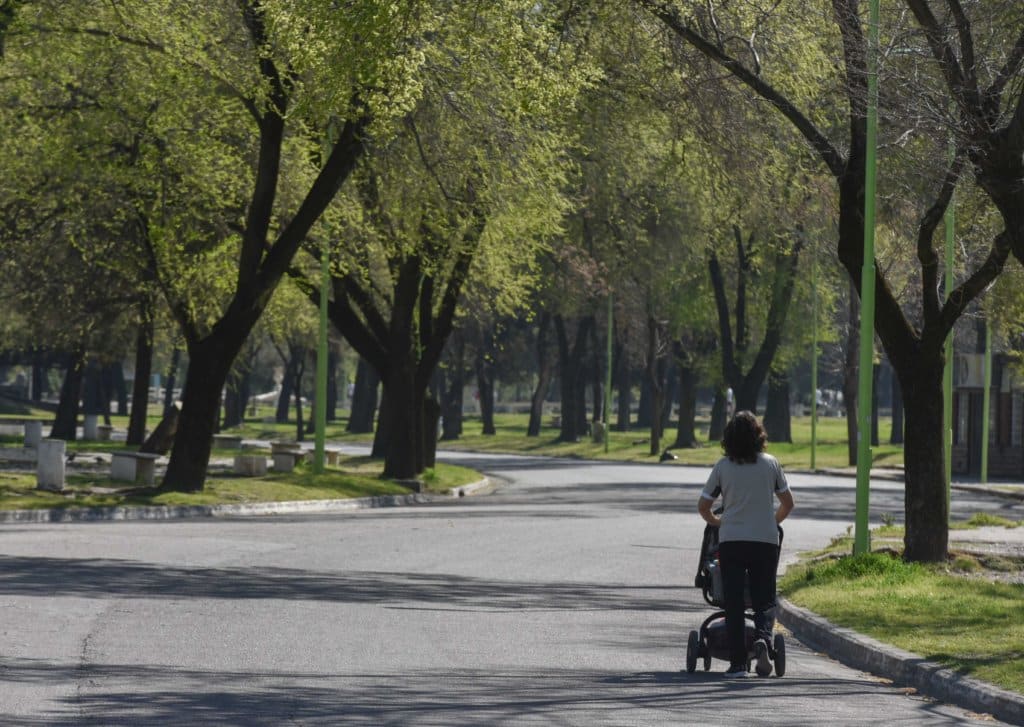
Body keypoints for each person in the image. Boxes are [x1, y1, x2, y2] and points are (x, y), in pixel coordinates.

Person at [698, 410, 794, 678]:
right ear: (759, 436)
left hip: (732, 541)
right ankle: (763, 638)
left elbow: (704, 506)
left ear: (728, 439)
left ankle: (739, 663)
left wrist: (719, 522)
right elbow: (788, 503)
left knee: (735, 601)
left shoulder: (723, 467)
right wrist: (771, 522)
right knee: (764, 599)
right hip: (764, 541)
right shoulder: (771, 464)